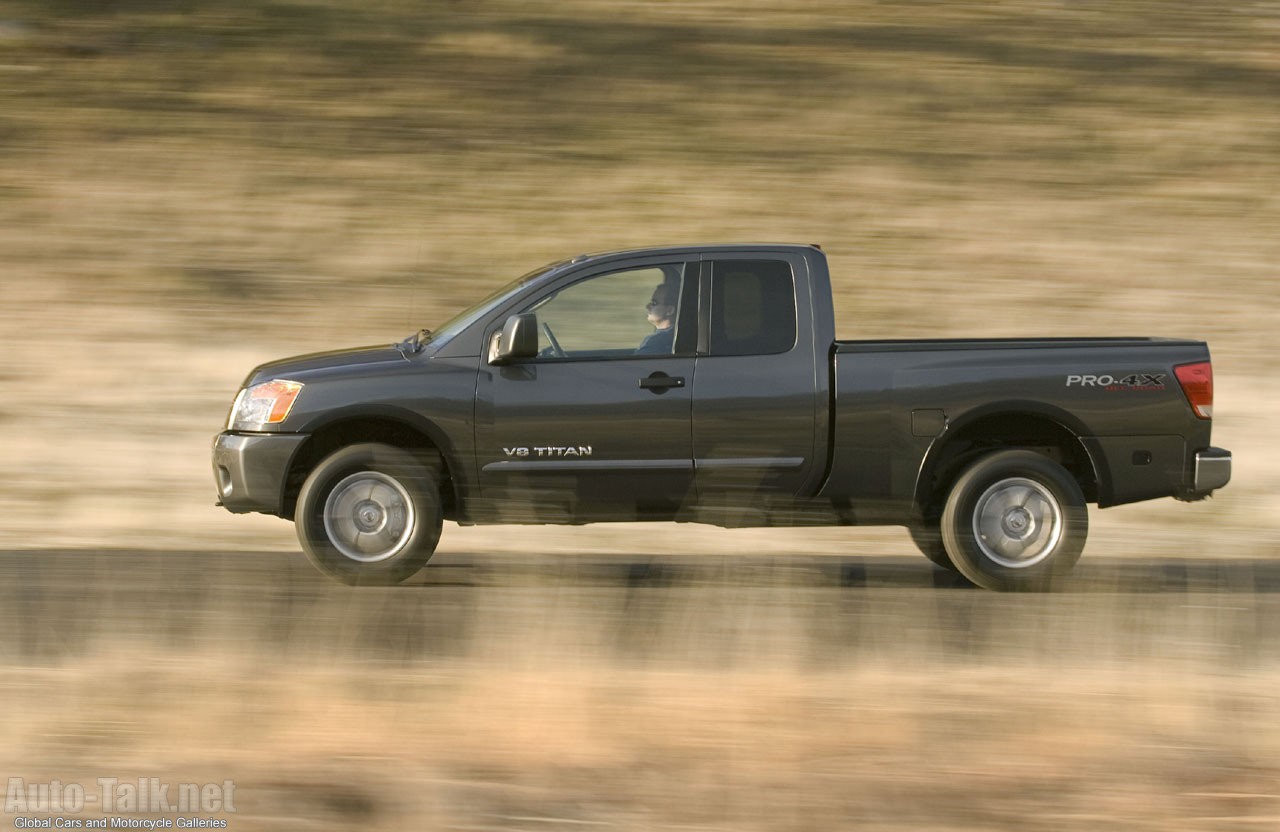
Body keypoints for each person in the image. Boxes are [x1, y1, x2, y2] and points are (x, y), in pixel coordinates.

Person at [636, 282, 678, 354]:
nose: (648, 306)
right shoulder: (665, 338)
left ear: (670, 310)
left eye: (654, 303)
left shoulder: (658, 342)